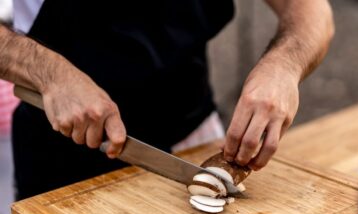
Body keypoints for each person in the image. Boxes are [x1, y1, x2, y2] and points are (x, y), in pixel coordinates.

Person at [0, 0, 334, 200]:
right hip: (64, 154)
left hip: (197, 132)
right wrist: (49, 73)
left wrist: (283, 66)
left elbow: (311, 10)